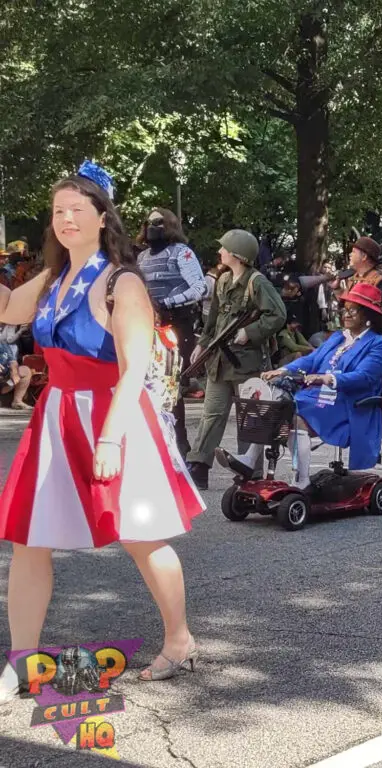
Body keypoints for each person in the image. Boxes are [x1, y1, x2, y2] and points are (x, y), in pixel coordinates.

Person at [0, 163, 206, 699]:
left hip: (113, 415)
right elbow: (5, 309)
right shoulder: (51, 278)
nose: (66, 219)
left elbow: (135, 365)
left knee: (140, 535)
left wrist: (111, 437)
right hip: (56, 415)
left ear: (100, 217)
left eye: (77, 210)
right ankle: (22, 660)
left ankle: (179, 640)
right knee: (29, 539)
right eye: (58, 211)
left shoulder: (122, 279)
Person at [216, 283, 382, 486]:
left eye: (353, 310)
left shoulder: (378, 343)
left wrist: (327, 378)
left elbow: (365, 377)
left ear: (368, 315)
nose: (346, 314)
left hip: (347, 403)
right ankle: (249, 460)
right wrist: (282, 371)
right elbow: (310, 360)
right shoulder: (337, 337)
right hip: (316, 396)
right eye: (345, 308)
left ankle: (302, 480)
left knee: (294, 416)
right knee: (275, 406)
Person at [185, 230, 287, 490]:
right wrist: (202, 344)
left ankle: (249, 469)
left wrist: (249, 332)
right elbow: (213, 320)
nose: (220, 252)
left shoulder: (257, 282)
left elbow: (277, 314)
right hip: (219, 363)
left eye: (225, 248)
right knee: (212, 414)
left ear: (237, 254)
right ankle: (199, 464)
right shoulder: (223, 280)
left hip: (247, 364)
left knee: (249, 417)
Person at [136, 207, 208, 458]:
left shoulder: (182, 253)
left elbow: (199, 287)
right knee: (145, 383)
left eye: (158, 221)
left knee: (171, 387)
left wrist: (168, 303)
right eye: (148, 222)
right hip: (146, 324)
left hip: (175, 325)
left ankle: (179, 445)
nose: (152, 226)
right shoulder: (142, 257)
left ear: (169, 224)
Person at [0, 324, 32, 410]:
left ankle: (17, 401)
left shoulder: (4, 344)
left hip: (5, 382)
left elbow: (13, 361)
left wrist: (14, 372)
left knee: (25, 371)